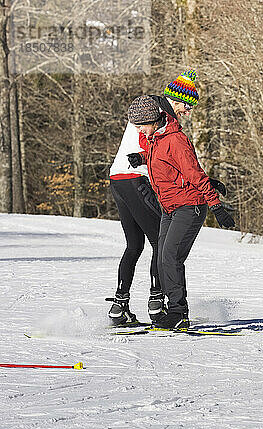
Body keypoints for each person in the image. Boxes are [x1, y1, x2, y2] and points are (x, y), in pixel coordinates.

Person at [107, 70, 227, 326]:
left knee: (137, 246)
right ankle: (157, 303)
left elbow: (178, 164)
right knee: (161, 248)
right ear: (175, 100)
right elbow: (171, 159)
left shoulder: (153, 116)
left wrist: (204, 184)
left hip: (118, 178)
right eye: (187, 104)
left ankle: (121, 305)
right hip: (137, 180)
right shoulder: (158, 117)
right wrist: (207, 191)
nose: (188, 111)